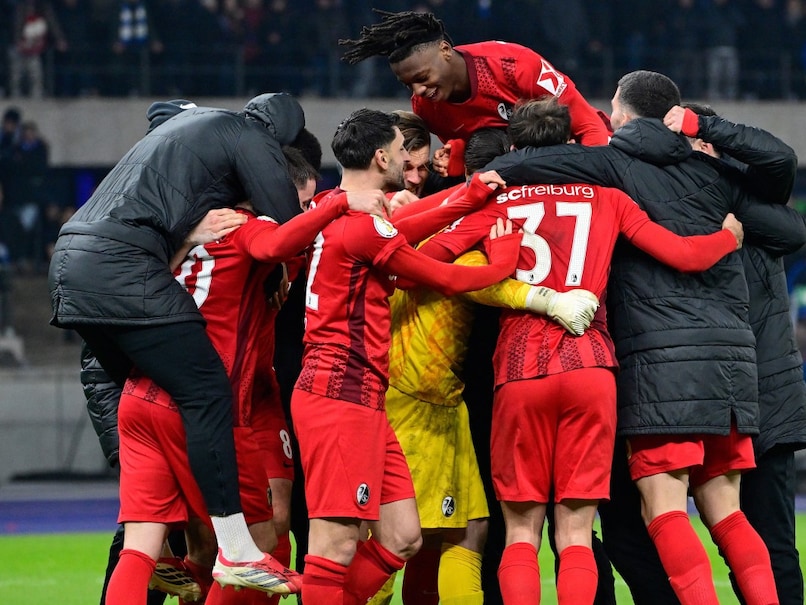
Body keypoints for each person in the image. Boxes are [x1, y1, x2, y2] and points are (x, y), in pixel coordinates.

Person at [482, 70, 804, 605]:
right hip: (730, 362)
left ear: (624, 114)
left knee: (665, 510)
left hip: (657, 365)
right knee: (727, 513)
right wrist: (725, 228)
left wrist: (483, 176)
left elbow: (523, 163)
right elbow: (787, 220)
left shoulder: (610, 167)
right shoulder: (711, 173)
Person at [48, 92, 388, 594]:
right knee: (260, 544)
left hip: (139, 398)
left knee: (141, 548)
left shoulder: (180, 229)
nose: (297, 213)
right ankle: (236, 551)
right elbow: (279, 242)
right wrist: (342, 203)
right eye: (298, 202)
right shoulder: (246, 226)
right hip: (204, 408)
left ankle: (198, 557)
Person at [420, 96, 744, 605]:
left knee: (522, 534)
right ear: (573, 144)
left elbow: (430, 258)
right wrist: (726, 237)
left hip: (520, 368)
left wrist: (497, 263)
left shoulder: (497, 205)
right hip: (591, 366)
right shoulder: (608, 199)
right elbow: (683, 255)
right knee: (575, 534)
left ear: (515, 147)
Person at [291, 108, 524, 605]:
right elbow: (440, 275)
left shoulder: (338, 207)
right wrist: (503, 260)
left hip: (366, 398)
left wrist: (470, 195)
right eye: (401, 151)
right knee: (335, 544)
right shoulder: (362, 226)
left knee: (403, 537)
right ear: (381, 156)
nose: (408, 160)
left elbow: (411, 221)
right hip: (339, 394)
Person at [377, 125, 601, 605]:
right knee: (399, 540)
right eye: (406, 166)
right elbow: (459, 278)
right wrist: (543, 298)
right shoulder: (417, 222)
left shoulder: (416, 215)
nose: (413, 179)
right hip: (410, 399)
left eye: (422, 166)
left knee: (466, 528)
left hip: (443, 399)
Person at [339, 9, 611, 178]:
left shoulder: (514, 65)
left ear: (445, 51)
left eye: (422, 78)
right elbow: (478, 151)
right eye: (408, 85)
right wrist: (456, 155)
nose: (418, 91)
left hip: (576, 159)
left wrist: (595, 180)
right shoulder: (426, 107)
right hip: (512, 178)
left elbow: (590, 127)